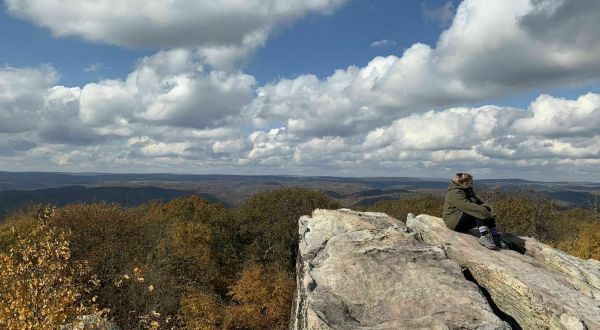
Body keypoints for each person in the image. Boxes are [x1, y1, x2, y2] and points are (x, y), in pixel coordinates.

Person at [442, 172, 507, 250]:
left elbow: (478, 202)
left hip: (462, 217)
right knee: (478, 211)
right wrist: (484, 210)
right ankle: (484, 237)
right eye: (471, 181)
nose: (472, 183)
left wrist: (490, 209)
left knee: (485, 209)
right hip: (454, 220)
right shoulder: (454, 192)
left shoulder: (468, 190)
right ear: (465, 182)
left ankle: (495, 236)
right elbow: (467, 206)